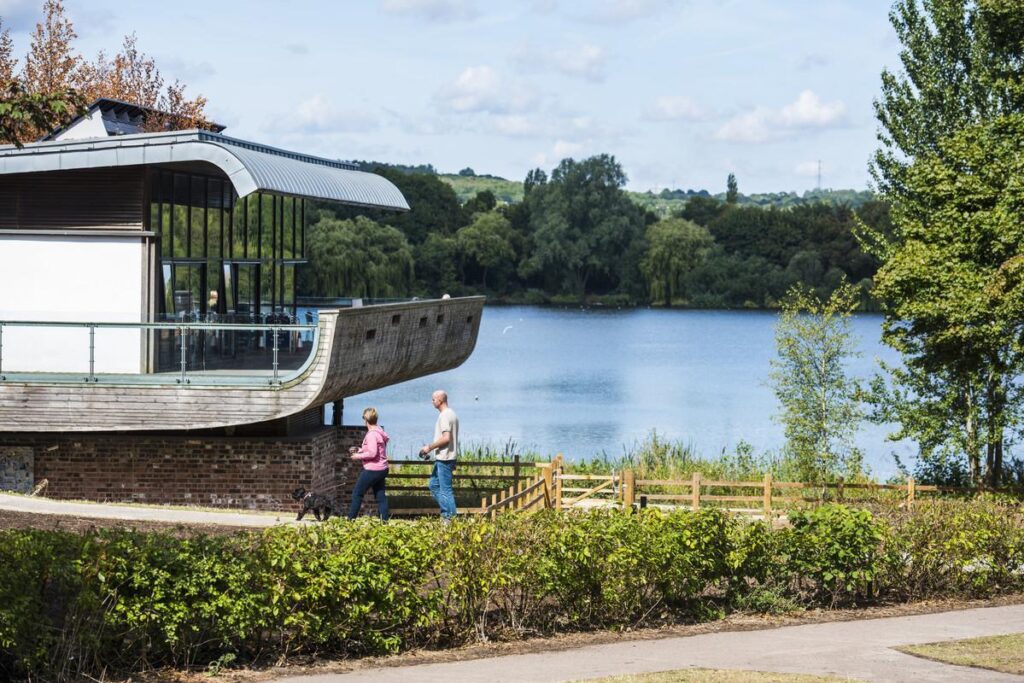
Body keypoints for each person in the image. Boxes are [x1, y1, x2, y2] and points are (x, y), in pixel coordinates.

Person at [419, 390, 459, 519]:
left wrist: (428, 448)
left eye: (433, 399)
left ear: (440, 400)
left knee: (446, 490)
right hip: (444, 457)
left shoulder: (445, 416)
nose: (432, 402)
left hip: (445, 458)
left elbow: (446, 438)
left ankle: (451, 520)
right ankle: (446, 513)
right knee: (433, 485)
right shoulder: (452, 413)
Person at [347, 407, 390, 520]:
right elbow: (374, 449)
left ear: (365, 420)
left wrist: (357, 456)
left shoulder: (371, 434)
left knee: (357, 493)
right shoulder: (379, 431)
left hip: (373, 469)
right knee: (380, 496)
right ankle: (385, 522)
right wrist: (359, 449)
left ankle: (350, 520)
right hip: (382, 468)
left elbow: (372, 453)